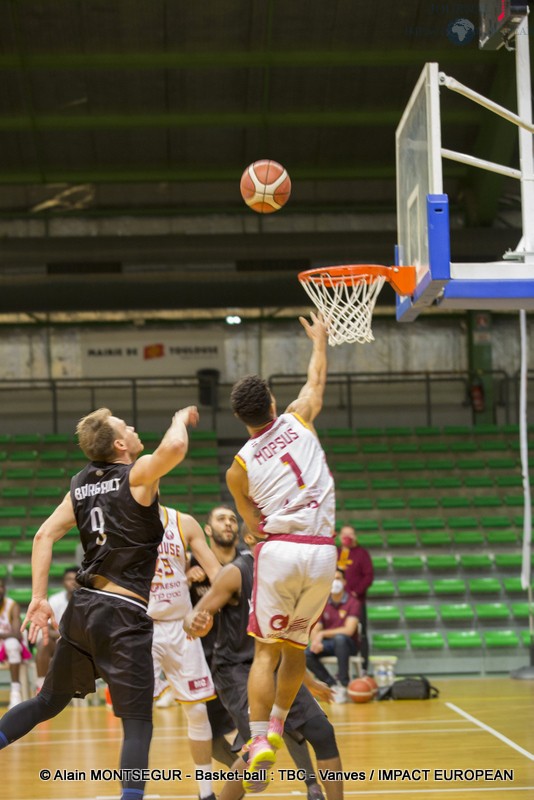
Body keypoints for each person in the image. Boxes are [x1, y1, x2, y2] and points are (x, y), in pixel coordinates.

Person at [0, 405, 199, 800]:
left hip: (83, 609)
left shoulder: (79, 484)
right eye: (126, 426)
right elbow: (175, 447)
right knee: (138, 722)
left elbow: (43, 536)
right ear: (121, 445)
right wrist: (178, 417)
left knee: (46, 702)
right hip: (123, 615)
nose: (134, 426)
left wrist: (38, 599)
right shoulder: (137, 474)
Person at [225, 312, 337, 792]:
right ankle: (274, 726)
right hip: (322, 553)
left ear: (241, 418)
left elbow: (253, 528)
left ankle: (256, 741)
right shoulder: (299, 417)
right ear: (272, 402)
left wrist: (257, 532)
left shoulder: (238, 467)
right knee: (296, 647)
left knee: (265, 653)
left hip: (281, 551)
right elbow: (315, 379)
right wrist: (321, 340)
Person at [184, 528, 343, 800]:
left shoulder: (289, 577)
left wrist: (307, 680)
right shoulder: (236, 572)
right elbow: (193, 617)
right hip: (235, 669)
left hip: (274, 666)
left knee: (322, 731)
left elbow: (289, 643)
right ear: (250, 540)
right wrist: (196, 622)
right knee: (256, 749)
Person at [148, 504, 221, 800]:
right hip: (143, 626)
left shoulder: (183, 522)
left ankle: (206, 793)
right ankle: (132, 791)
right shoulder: (121, 518)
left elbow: (217, 574)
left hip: (182, 625)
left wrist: (207, 610)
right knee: (137, 715)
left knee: (198, 711)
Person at [305, 569, 361, 703]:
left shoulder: (353, 602)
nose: (335, 582)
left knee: (340, 639)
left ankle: (343, 683)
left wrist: (322, 634)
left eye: (338, 578)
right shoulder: (323, 602)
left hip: (348, 645)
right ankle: (332, 685)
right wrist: (315, 642)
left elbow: (349, 630)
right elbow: (316, 627)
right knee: (306, 653)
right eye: (332, 579)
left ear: (344, 582)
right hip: (329, 644)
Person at [336, 525, 374, 672]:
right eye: (345, 534)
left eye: (350, 534)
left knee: (361, 633)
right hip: (336, 603)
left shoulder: (362, 554)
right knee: (337, 632)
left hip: (356, 602)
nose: (347, 537)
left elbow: (368, 576)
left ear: (355, 536)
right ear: (340, 536)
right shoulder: (336, 552)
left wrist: (355, 592)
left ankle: (363, 667)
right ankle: (341, 669)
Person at [34, 566, 78, 692]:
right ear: (63, 582)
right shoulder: (55, 600)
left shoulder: (88, 600)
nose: (72, 582)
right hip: (59, 641)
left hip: (80, 644)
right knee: (44, 642)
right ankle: (41, 686)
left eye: (75, 579)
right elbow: (46, 628)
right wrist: (64, 635)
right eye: (69, 579)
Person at [0, 579, 32, 709]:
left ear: (4, 589)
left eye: (0, 586)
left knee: (12, 643)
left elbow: (17, 634)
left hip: (9, 644)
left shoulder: (12, 605)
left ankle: (15, 693)